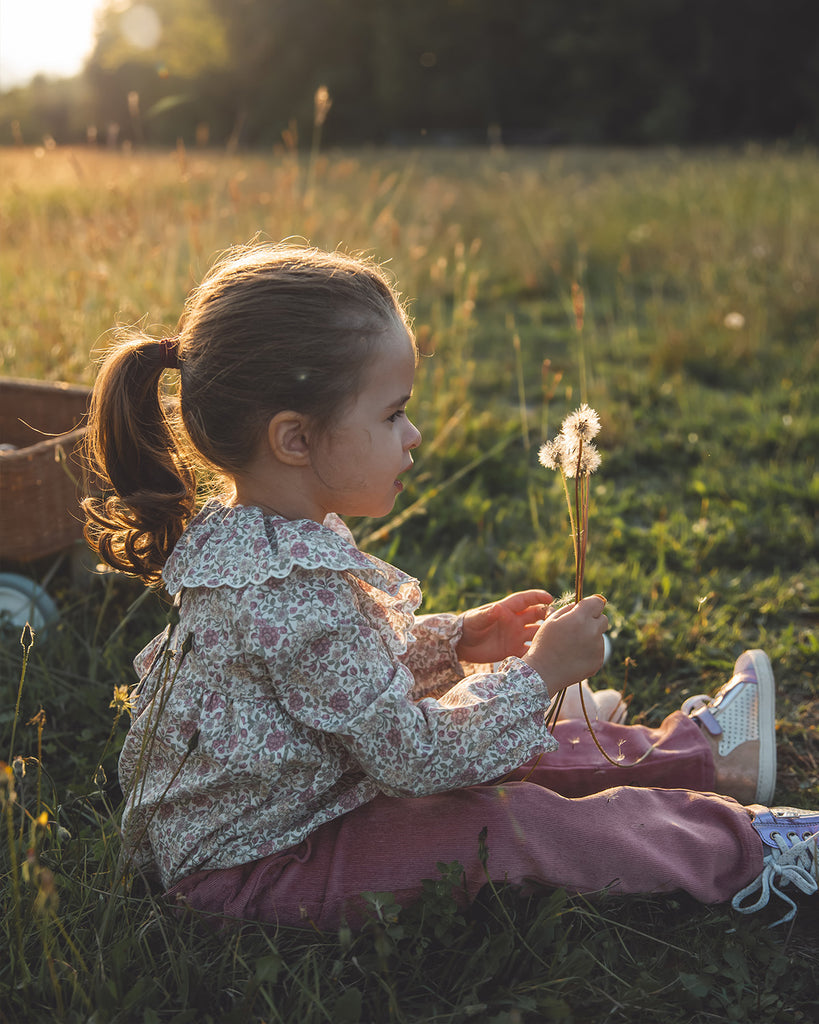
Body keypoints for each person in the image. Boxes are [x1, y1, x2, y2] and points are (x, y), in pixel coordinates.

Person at [83, 242, 818, 932]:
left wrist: (455, 640)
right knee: (503, 819)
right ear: (295, 439)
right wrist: (537, 675)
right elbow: (413, 755)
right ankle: (748, 852)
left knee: (503, 748)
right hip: (260, 868)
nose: (414, 434)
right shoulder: (283, 583)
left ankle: (708, 755)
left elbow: (344, 683)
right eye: (392, 412)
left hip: (314, 799)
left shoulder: (260, 542)